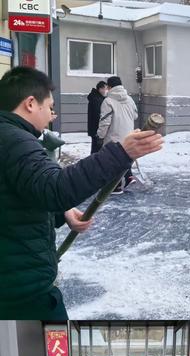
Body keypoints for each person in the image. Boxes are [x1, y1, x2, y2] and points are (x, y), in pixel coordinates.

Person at [0, 66, 163, 320]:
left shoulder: (9, 136)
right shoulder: (15, 140)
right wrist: (120, 153)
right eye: (49, 107)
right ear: (30, 103)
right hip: (22, 294)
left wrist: (61, 213)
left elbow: (19, 197)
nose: (52, 115)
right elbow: (55, 188)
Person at [97, 76, 138, 194]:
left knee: (112, 162)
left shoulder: (108, 101)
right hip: (129, 136)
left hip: (113, 137)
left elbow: (105, 122)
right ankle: (128, 178)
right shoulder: (129, 99)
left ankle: (116, 186)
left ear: (109, 87)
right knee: (124, 159)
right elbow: (135, 116)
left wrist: (100, 136)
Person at [87, 80, 107, 154]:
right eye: (105, 88)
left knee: (95, 148)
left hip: (94, 128)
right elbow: (98, 115)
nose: (106, 91)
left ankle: (93, 162)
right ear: (100, 89)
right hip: (97, 128)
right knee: (96, 149)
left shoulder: (96, 97)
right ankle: (93, 163)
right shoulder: (97, 99)